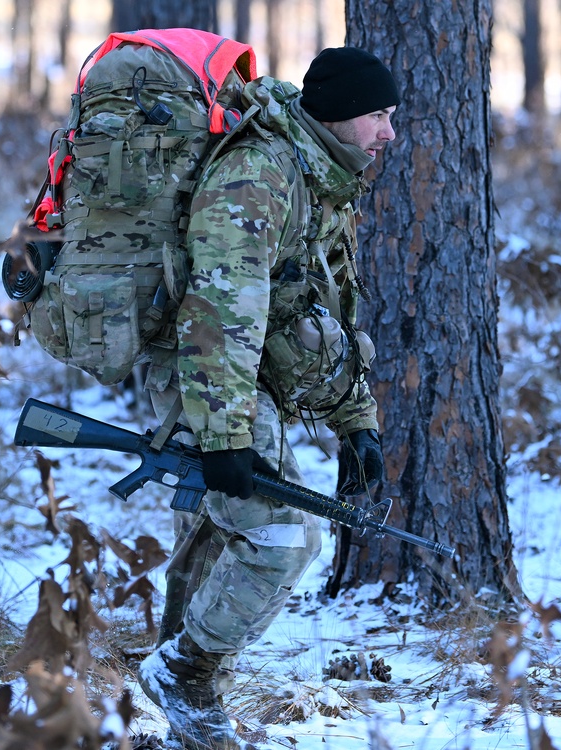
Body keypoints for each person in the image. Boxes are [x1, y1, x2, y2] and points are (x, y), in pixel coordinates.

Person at [136, 46, 399, 750]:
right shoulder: (261, 174)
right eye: (378, 114)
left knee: (221, 533)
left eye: (391, 115)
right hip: (202, 366)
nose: (389, 132)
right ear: (339, 112)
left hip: (236, 373)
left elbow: (327, 312)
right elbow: (220, 312)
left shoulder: (322, 177)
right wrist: (224, 439)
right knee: (284, 536)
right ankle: (185, 674)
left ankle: (184, 725)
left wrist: (357, 426)